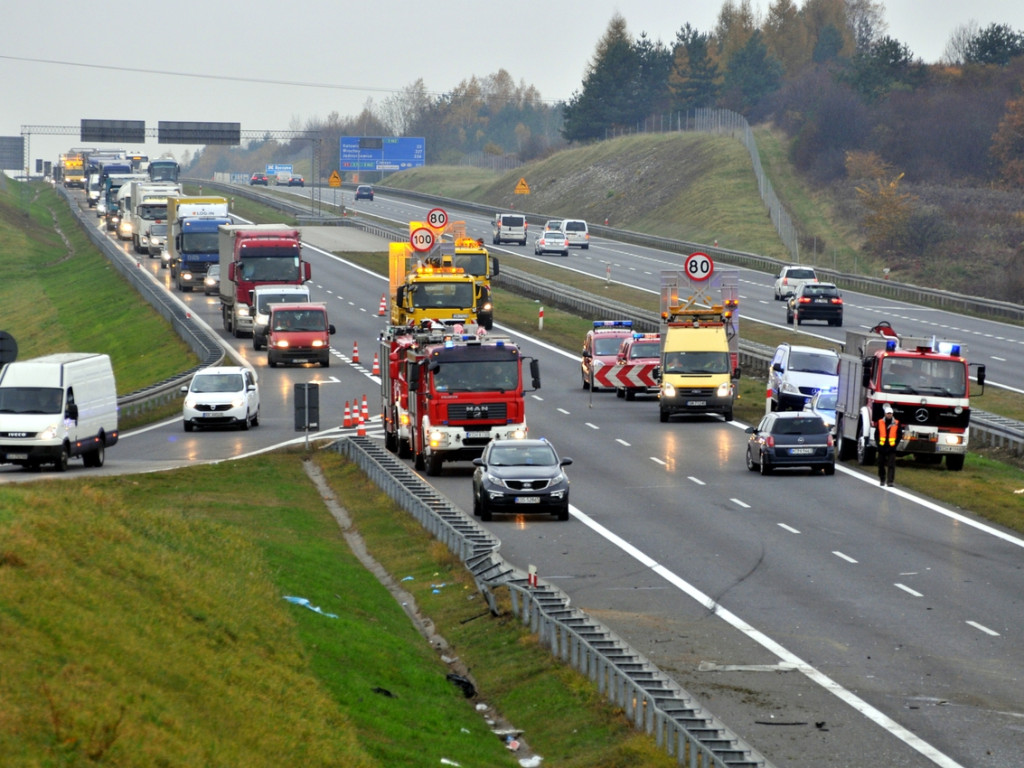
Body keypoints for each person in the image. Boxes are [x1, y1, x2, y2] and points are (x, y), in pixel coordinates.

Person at [876, 403, 904, 487]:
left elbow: (899, 435)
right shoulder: (880, 422)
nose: (889, 415)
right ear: (885, 414)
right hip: (882, 447)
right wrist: (878, 445)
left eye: (891, 413)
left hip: (891, 447)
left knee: (891, 465)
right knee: (881, 464)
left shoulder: (896, 423)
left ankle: (890, 481)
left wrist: (895, 445)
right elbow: (876, 434)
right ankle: (882, 479)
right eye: (888, 413)